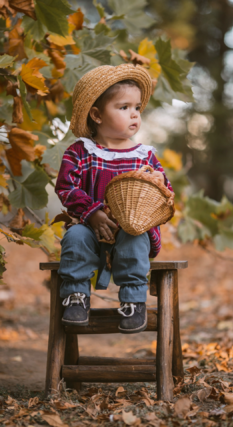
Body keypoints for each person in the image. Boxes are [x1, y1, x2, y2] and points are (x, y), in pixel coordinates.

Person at [55, 64, 173, 334]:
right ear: (96, 114)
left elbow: (162, 191)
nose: (134, 114)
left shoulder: (145, 156)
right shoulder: (81, 151)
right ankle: (76, 296)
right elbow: (66, 187)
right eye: (123, 107)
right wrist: (92, 212)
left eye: (137, 108)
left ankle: (133, 299)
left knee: (135, 238)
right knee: (74, 238)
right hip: (90, 227)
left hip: (130, 228)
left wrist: (160, 190)